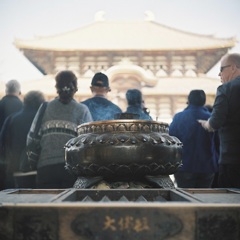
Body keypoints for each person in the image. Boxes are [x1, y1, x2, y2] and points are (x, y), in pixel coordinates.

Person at [27, 70, 93, 189]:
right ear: (75, 88)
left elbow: (32, 138)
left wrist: (33, 162)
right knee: (68, 206)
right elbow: (89, 142)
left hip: (45, 168)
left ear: (57, 87)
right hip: (71, 169)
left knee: (46, 205)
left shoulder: (45, 107)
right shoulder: (82, 110)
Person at [198, 53, 240, 188]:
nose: (219, 74)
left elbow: (215, 123)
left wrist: (206, 124)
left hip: (232, 158)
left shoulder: (226, 89)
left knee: (230, 201)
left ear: (233, 68)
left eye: (221, 69)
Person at [169, 90, 218, 188]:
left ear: (189, 101)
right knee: (204, 199)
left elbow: (171, 140)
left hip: (184, 165)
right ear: (204, 101)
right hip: (207, 166)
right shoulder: (211, 119)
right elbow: (218, 143)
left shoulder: (179, 117)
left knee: (185, 199)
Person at [0, 91, 45, 189]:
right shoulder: (44, 120)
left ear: (24, 102)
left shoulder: (11, 119)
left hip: (14, 170)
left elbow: (2, 145)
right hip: (38, 170)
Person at [0, 79, 23, 190]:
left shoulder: (0, 104)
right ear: (19, 92)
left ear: (6, 90)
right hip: (17, 154)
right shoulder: (22, 107)